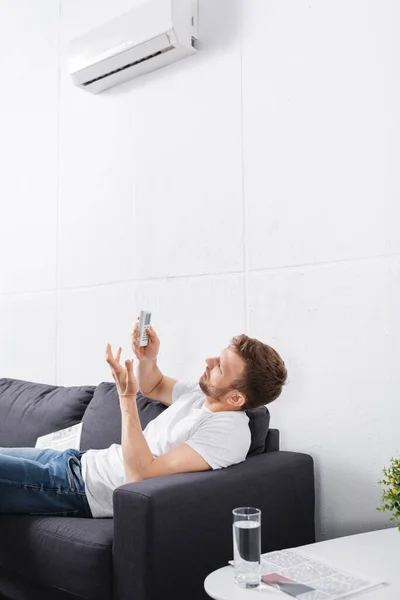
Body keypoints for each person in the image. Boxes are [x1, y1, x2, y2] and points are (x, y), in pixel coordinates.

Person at [0, 321, 288, 518]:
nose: (208, 361)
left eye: (220, 367)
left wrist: (127, 400)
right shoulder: (202, 395)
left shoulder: (227, 432)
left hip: (79, 488)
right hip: (76, 460)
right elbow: (154, 385)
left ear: (236, 399)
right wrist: (148, 358)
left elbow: (140, 478)